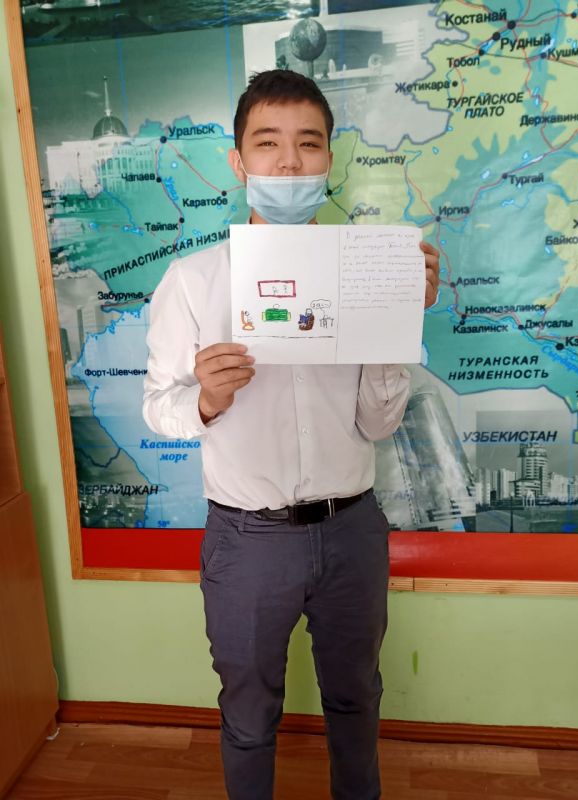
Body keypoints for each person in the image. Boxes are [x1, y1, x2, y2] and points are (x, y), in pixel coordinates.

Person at [143, 69, 440, 800]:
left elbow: (378, 422)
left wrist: (397, 322)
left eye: (308, 144)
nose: (288, 162)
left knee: (356, 700)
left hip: (352, 529)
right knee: (248, 715)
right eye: (267, 143)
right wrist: (207, 399)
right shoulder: (193, 281)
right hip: (248, 540)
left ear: (329, 159)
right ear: (238, 161)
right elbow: (158, 406)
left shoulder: (366, 272)